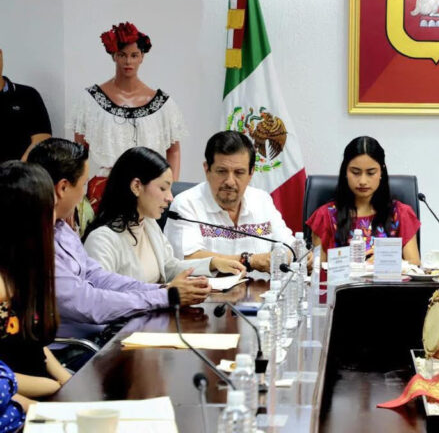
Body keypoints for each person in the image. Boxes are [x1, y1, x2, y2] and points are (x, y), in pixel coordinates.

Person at [27, 139, 210, 341]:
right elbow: (88, 304)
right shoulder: (37, 241)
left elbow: (98, 277)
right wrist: (165, 296)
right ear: (63, 188)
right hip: (78, 347)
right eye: (84, 184)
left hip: (103, 336)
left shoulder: (62, 229)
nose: (85, 194)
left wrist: (163, 290)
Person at [68, 22, 186, 212]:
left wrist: (169, 189)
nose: (128, 61)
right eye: (122, 55)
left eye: (134, 55)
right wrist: (78, 194)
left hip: (148, 190)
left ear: (142, 57)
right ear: (114, 55)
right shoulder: (90, 101)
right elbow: (80, 152)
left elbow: (174, 150)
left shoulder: (163, 105)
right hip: (105, 190)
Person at [83, 147, 246, 282]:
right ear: (137, 186)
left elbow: (169, 267)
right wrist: (166, 293)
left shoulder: (148, 223)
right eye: (163, 188)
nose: (170, 197)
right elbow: (103, 299)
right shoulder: (102, 240)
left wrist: (213, 263)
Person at [165, 131, 301, 272]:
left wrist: (300, 255)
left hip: (261, 286)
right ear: (207, 170)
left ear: (251, 173)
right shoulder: (186, 204)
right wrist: (250, 261)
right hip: (208, 286)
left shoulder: (262, 200)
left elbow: (289, 246)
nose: (230, 181)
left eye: (239, 172)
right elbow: (187, 258)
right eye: (222, 171)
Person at [0, 162, 70, 401]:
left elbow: (34, 346)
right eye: (51, 208)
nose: (55, 217)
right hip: (16, 402)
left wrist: (67, 381)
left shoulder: (25, 271)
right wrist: (49, 388)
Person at [306, 136, 421, 264]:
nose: (363, 181)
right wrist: (309, 263)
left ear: (381, 172)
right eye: (355, 172)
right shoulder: (325, 216)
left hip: (388, 278)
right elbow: (318, 269)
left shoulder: (400, 214)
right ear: (345, 171)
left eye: (371, 173)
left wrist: (385, 260)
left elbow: (414, 264)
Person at [0, 48, 52, 162]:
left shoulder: (28, 95)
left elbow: (42, 137)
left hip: (21, 171)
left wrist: (21, 168)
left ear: (1, 55)